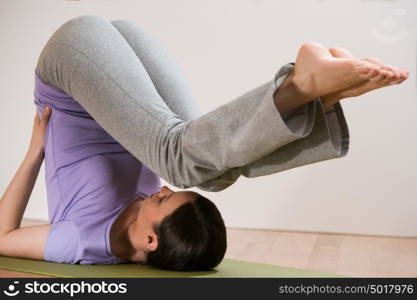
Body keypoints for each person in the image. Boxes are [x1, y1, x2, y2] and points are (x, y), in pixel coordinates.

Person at [0, 15, 408, 271]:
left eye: (162, 200)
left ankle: (302, 88)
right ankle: (318, 98)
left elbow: (3, 239)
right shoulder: (150, 222)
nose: (159, 189)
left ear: (149, 241)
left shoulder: (81, 243)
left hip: (72, 63)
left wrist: (35, 151)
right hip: (117, 55)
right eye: (168, 194)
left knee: (179, 161)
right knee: (209, 176)